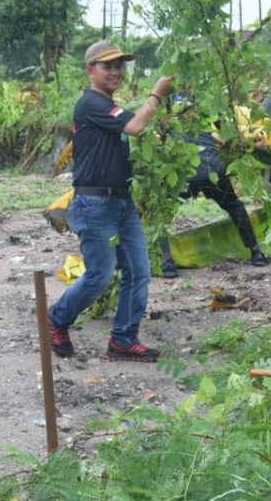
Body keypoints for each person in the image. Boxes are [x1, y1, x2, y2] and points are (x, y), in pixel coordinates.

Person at [47, 41, 175, 363]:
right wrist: (157, 93)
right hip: (95, 206)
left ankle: (123, 341)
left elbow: (134, 126)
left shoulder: (108, 107)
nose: (116, 71)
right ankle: (55, 319)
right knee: (101, 275)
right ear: (90, 70)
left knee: (139, 272)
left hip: (122, 204)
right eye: (108, 66)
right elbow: (136, 125)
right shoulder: (92, 104)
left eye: (119, 65)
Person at [159, 109, 268, 277]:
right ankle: (257, 253)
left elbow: (166, 139)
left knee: (161, 215)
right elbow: (231, 138)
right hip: (214, 170)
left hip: (184, 172)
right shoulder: (208, 106)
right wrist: (252, 145)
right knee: (234, 205)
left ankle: (167, 263)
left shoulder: (166, 108)